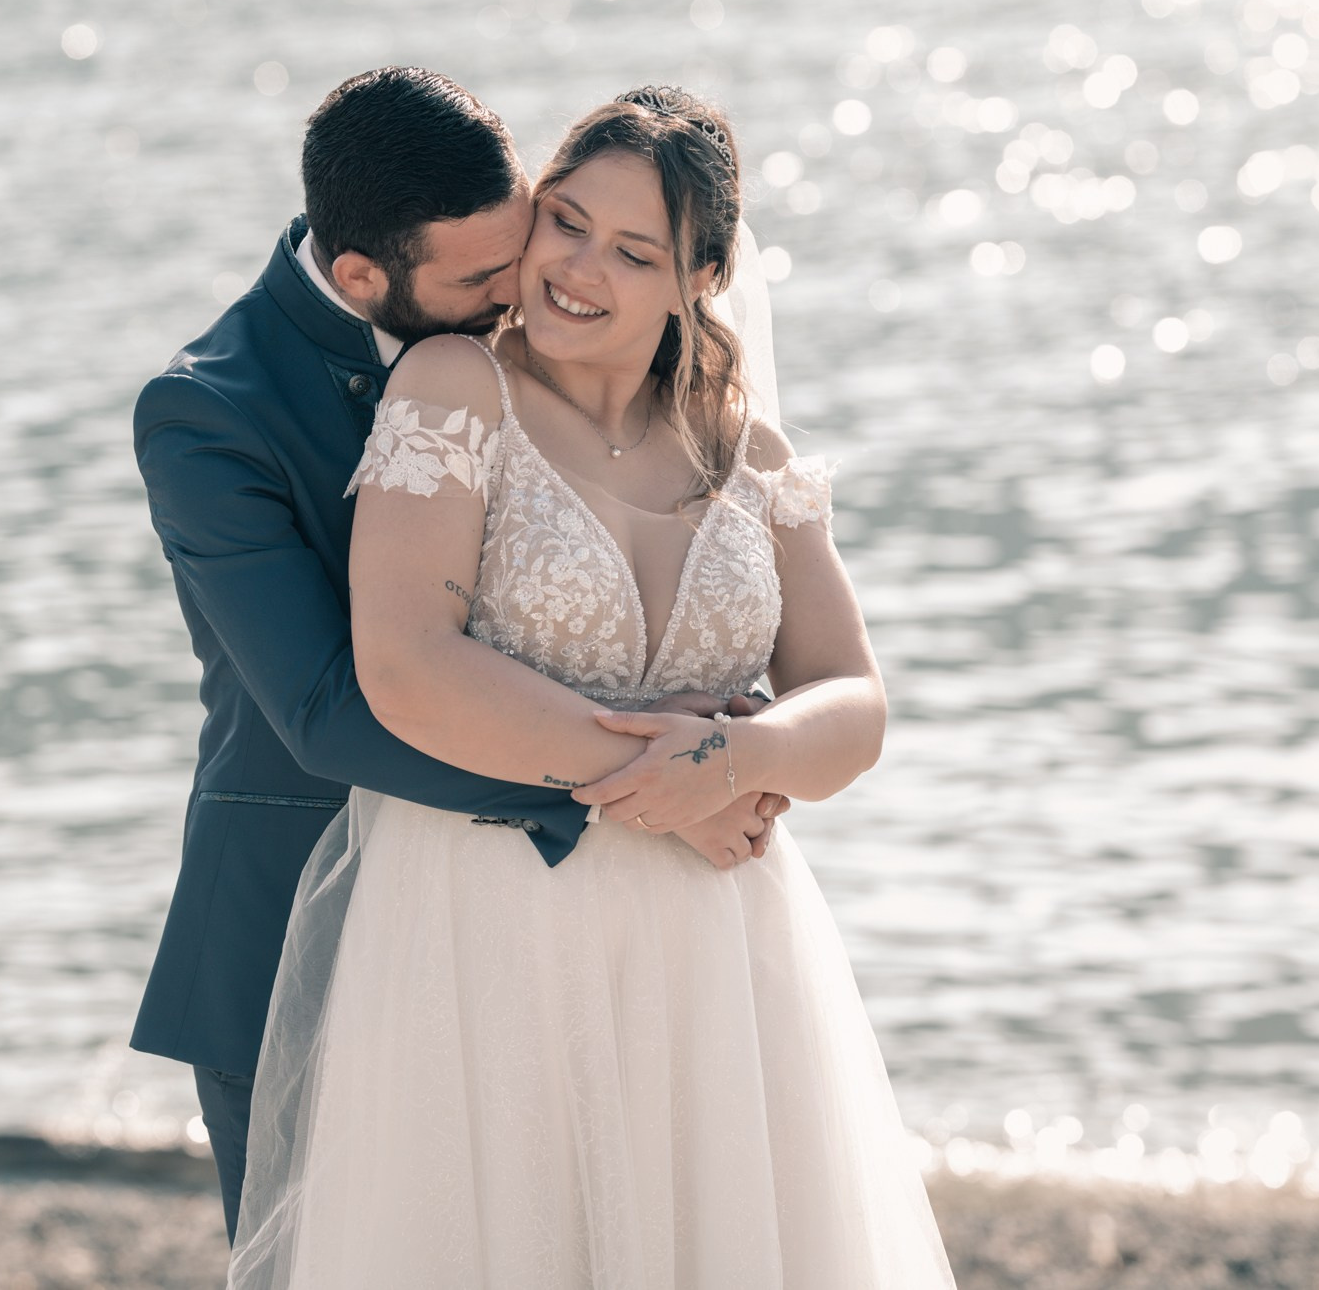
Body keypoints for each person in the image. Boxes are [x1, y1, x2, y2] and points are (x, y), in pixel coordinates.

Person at [225, 88, 958, 1288]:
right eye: (562, 222)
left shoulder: (746, 447)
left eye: (631, 251)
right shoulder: (456, 386)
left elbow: (850, 703)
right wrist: (658, 778)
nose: (575, 269)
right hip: (489, 932)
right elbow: (405, 666)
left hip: (721, 954)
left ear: (699, 277)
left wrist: (739, 763)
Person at [129, 67, 787, 1244]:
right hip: (294, 923)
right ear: (361, 279)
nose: (523, 291)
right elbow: (329, 709)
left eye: (527, 235)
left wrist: (723, 719)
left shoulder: (546, 347)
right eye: (484, 280)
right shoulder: (207, 414)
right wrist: (651, 787)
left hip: (537, 943)